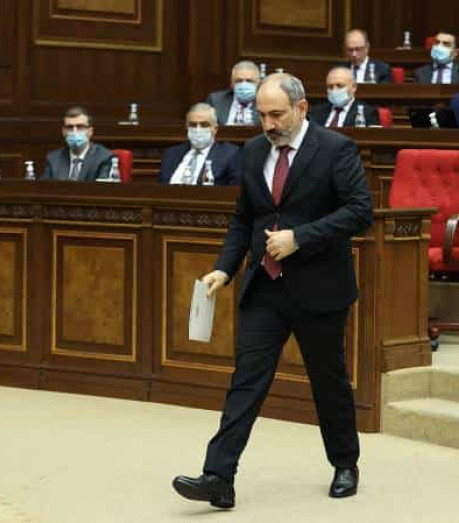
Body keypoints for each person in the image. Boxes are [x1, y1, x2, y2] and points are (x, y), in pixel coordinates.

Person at [172, 73, 373, 508]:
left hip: (319, 287)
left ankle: (345, 463)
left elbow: (360, 212)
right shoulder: (252, 151)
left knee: (328, 381)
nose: (268, 124)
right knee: (245, 381)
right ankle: (218, 477)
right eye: (262, 115)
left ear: (301, 108)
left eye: (277, 114)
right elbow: (245, 219)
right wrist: (224, 269)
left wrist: (300, 237)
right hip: (264, 284)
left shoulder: (335, 149)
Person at [158, 103, 242, 185]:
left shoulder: (230, 154)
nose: (198, 129)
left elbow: (234, 189)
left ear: (215, 129)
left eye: (204, 125)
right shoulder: (171, 153)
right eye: (193, 125)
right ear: (187, 127)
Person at [41, 106, 112, 181]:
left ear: (90, 131)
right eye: (69, 127)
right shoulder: (53, 159)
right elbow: (45, 186)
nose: (74, 132)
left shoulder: (104, 157)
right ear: (63, 131)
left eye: (80, 127)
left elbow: (103, 187)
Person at [308, 67, 380, 127]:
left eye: (340, 86)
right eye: (330, 87)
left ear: (354, 87)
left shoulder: (367, 113)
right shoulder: (315, 112)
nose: (334, 90)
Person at [206, 61, 261, 126]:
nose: (243, 84)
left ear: (258, 83)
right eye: (239, 81)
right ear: (231, 83)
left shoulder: (265, 102)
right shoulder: (215, 101)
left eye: (249, 81)